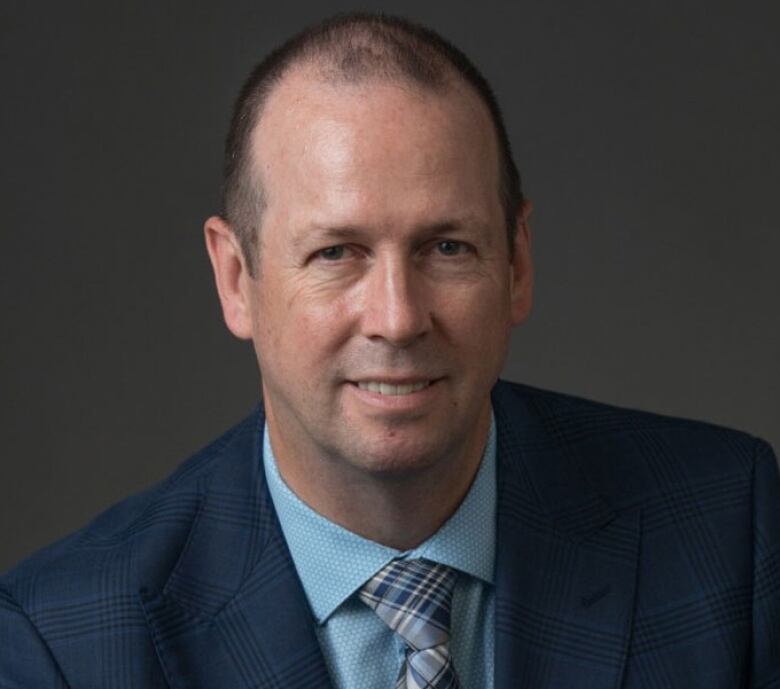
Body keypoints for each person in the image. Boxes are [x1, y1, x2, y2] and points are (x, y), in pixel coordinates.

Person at [1, 12, 778, 689]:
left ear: (518, 264)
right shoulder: (64, 642)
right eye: (337, 253)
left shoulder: (725, 531)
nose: (398, 318)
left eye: (447, 247)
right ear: (237, 279)